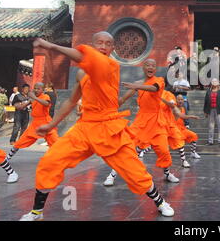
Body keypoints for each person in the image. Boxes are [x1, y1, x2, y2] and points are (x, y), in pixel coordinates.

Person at [19, 34, 174, 221]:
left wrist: (49, 45)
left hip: (109, 128)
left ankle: (160, 202)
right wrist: (52, 124)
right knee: (50, 162)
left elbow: (85, 57)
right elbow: (71, 101)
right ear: (94, 44)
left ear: (112, 49)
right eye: (99, 43)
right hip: (84, 127)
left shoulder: (111, 66)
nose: (103, 46)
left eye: (108, 44)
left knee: (135, 172)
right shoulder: (81, 73)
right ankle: (36, 212)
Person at [104, 59, 180, 186]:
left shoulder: (159, 80)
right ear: (143, 68)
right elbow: (122, 99)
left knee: (163, 151)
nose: (150, 67)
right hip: (141, 122)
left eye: (153, 65)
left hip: (157, 122)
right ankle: (112, 175)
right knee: (128, 148)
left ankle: (167, 173)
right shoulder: (138, 84)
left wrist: (136, 86)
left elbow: (153, 88)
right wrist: (110, 106)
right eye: (147, 65)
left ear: (155, 69)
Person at [6, 83, 59, 161]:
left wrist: (34, 98)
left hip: (46, 123)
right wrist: (17, 105)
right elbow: (21, 107)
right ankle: (7, 157)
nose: (36, 90)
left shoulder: (45, 96)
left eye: (38, 89)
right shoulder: (32, 99)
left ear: (43, 90)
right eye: (35, 88)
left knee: (55, 142)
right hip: (35, 124)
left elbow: (46, 103)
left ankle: (61, 158)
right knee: (21, 141)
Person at [203, 78, 220, 145]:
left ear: (218, 83)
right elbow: (206, 101)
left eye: (215, 81)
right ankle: (210, 141)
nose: (214, 82)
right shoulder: (208, 91)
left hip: (219, 110)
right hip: (210, 110)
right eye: (213, 81)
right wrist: (205, 111)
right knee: (211, 126)